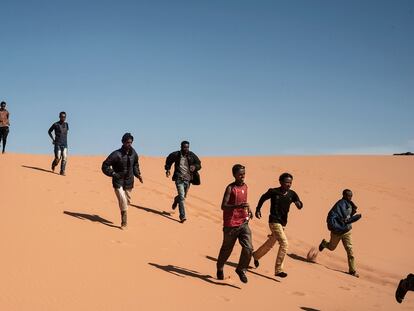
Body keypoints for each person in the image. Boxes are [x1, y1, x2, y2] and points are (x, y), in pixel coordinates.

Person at [253, 172, 303, 278]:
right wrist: (258, 209)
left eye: (290, 182)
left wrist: (299, 204)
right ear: (280, 182)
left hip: (283, 223)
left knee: (270, 243)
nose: (289, 184)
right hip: (274, 221)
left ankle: (256, 255)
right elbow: (263, 197)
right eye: (286, 182)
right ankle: (278, 270)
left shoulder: (292, 194)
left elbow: (299, 203)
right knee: (284, 244)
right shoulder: (273, 191)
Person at [216, 164, 253, 283]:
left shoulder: (246, 186)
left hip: (243, 222)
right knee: (227, 249)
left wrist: (249, 210)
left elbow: (244, 202)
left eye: (244, 174)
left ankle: (241, 269)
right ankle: (220, 267)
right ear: (234, 175)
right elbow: (223, 206)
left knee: (249, 248)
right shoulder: (230, 188)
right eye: (240, 174)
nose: (242, 176)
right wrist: (237, 206)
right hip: (230, 224)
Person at [102, 133, 143, 229]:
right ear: (123, 142)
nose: (129, 144)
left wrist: (138, 174)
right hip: (118, 181)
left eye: (131, 142)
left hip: (129, 181)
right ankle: (124, 222)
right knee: (123, 200)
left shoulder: (134, 153)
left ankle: (124, 210)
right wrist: (113, 174)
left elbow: (135, 164)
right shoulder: (116, 154)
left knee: (127, 201)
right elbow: (105, 165)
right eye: (127, 142)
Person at [318, 189, 362, 277]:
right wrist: (338, 225)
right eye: (349, 196)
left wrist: (351, 219)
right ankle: (324, 243)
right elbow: (332, 216)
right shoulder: (339, 205)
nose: (350, 197)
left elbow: (348, 217)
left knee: (350, 250)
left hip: (347, 231)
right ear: (344, 195)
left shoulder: (350, 204)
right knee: (331, 247)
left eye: (351, 196)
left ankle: (352, 270)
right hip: (337, 232)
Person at [165, 141, 201, 223]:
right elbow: (169, 159)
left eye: (187, 147)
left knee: (182, 196)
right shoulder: (176, 155)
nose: (186, 149)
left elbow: (199, 164)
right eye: (184, 147)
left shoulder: (192, 155)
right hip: (179, 178)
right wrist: (167, 169)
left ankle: (176, 199)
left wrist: (195, 167)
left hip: (188, 179)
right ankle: (182, 216)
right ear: (181, 147)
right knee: (182, 197)